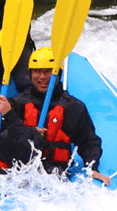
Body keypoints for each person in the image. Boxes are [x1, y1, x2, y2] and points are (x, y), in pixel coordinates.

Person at [7, 46, 104, 180]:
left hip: (55, 172)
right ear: (30, 74)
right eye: (37, 71)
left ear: (58, 74)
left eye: (48, 72)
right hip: (22, 169)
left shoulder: (73, 107)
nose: (42, 77)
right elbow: (4, 139)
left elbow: (88, 141)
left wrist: (92, 168)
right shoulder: (17, 104)